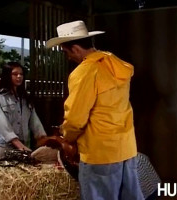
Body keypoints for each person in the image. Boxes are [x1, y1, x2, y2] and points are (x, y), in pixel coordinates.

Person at [46, 20, 145, 200]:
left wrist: (66, 137)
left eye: (66, 52)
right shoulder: (115, 63)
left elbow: (76, 119)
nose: (68, 57)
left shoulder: (84, 72)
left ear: (75, 49)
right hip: (126, 147)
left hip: (100, 153)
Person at [0, 62, 47, 159]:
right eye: (15, 74)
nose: (19, 76)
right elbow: (2, 125)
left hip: (22, 145)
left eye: (21, 74)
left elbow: (35, 122)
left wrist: (43, 139)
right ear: (7, 75)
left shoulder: (26, 99)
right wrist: (20, 146)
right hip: (3, 146)